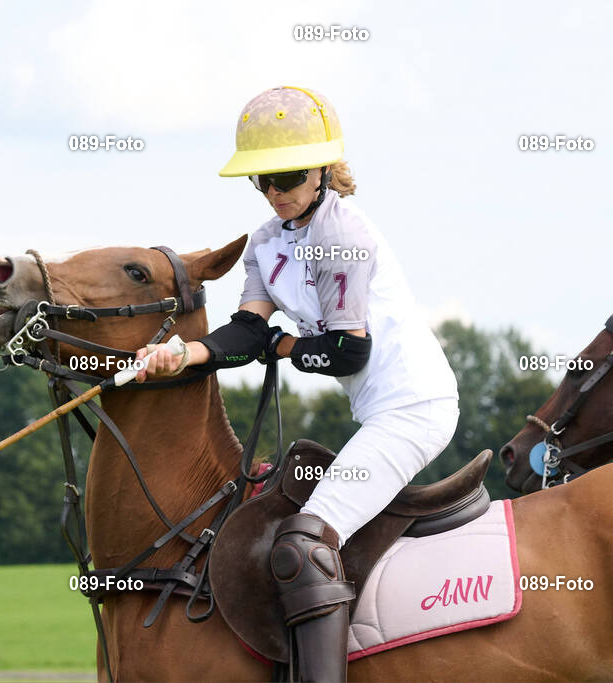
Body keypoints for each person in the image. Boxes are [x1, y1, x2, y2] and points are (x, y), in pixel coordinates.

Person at [134, 86, 459, 682]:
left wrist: (284, 346)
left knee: (304, 542)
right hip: (377, 412)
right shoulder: (265, 243)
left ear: (321, 171)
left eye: (286, 177)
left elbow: (344, 352)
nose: (274, 193)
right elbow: (248, 331)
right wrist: (183, 356)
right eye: (262, 181)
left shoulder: (345, 235)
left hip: (416, 407)